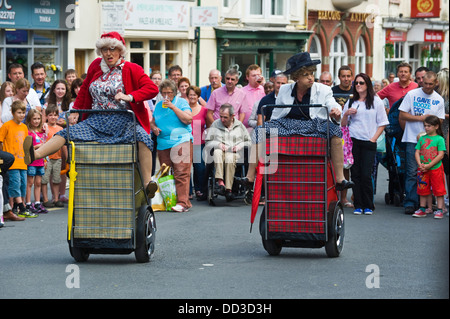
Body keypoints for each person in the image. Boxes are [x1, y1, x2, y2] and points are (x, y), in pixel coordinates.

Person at [22, 31, 159, 201]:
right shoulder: (96, 65)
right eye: (104, 50)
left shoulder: (131, 68)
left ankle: (147, 184)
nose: (108, 53)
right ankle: (34, 155)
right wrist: (76, 112)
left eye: (112, 49)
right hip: (96, 120)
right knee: (66, 133)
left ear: (120, 50)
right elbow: (85, 89)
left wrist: (129, 96)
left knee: (143, 137)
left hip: (124, 119)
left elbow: (152, 89)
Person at [244, 52, 354, 192]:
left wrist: (336, 111)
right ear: (296, 77)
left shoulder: (323, 89)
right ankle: (249, 177)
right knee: (260, 130)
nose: (310, 78)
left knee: (336, 131)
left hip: (314, 124)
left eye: (311, 74)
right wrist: (268, 126)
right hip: (287, 124)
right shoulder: (284, 89)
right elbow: (277, 114)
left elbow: (332, 103)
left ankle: (340, 179)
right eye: (306, 75)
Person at [341, 73, 389, 215]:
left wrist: (373, 139)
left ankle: (368, 205)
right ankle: (358, 204)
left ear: (367, 84)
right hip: (353, 141)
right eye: (356, 83)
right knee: (355, 174)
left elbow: (383, 123)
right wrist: (346, 114)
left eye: (361, 83)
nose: (358, 85)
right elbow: (343, 125)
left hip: (368, 141)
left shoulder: (376, 101)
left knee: (366, 174)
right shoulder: (351, 101)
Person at [399, 71, 445, 214]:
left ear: (436, 83)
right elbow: (402, 114)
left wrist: (429, 132)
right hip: (413, 138)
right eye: (425, 83)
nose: (427, 87)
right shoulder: (412, 95)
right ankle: (411, 202)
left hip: (430, 141)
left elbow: (440, 120)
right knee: (413, 171)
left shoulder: (438, 99)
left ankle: (426, 204)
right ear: (421, 82)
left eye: (431, 84)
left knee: (430, 171)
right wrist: (421, 119)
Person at [151, 79, 193, 212]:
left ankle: (183, 203)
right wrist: (154, 128)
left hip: (181, 140)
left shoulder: (181, 102)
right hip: (163, 143)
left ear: (175, 93)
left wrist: (173, 107)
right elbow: (152, 121)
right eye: (164, 93)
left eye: (169, 93)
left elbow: (188, 119)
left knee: (181, 172)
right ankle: (170, 201)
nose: (166, 96)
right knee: (166, 173)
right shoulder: (158, 105)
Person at [205, 103, 251, 201]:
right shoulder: (215, 124)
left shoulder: (239, 126)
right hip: (220, 151)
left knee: (230, 157)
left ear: (232, 116)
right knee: (217, 152)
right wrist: (218, 144)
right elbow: (208, 142)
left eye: (225, 117)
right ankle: (220, 182)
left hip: (235, 153)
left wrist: (239, 146)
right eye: (221, 116)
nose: (222, 120)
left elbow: (249, 141)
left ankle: (228, 189)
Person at [0, 100, 37, 218]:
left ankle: (15, 207)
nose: (22, 115)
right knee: (15, 184)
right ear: (12, 112)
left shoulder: (25, 127)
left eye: (23, 112)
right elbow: (0, 141)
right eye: (19, 112)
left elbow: (26, 146)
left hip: (23, 162)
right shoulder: (6, 125)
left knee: (22, 185)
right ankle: (21, 208)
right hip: (12, 162)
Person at [413, 115, 447, 219]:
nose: (426, 128)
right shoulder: (422, 138)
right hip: (423, 169)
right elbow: (417, 152)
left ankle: (440, 209)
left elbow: (440, 155)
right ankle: (422, 208)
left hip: (435, 168)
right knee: (423, 189)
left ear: (436, 126)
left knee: (438, 189)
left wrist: (429, 165)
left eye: (429, 126)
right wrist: (420, 164)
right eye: (425, 126)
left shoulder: (439, 139)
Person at [332, 66, 354, 208]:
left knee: (350, 165)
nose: (346, 79)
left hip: (352, 130)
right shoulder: (332, 92)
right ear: (339, 77)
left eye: (348, 76)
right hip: (335, 129)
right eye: (343, 76)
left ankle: (348, 196)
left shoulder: (356, 91)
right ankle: (338, 197)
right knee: (338, 164)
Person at [39, 106, 65, 208]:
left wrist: (65, 157)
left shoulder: (60, 129)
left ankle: (56, 199)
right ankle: (45, 199)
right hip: (47, 158)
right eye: (50, 115)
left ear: (58, 116)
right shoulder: (44, 128)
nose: (53, 117)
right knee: (44, 179)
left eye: (55, 115)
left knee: (56, 179)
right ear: (46, 117)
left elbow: (63, 145)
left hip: (57, 158)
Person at [24, 109, 48, 214]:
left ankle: (37, 202)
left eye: (38, 118)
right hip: (32, 161)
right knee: (30, 182)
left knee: (38, 182)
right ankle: (28, 203)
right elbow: (27, 148)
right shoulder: (28, 132)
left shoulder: (41, 132)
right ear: (29, 119)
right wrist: (37, 146)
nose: (36, 121)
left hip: (40, 161)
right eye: (34, 119)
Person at [187, 85, 208, 200]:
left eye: (194, 95)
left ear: (198, 96)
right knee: (185, 167)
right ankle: (188, 191)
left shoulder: (203, 110)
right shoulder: (184, 108)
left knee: (199, 167)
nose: (192, 97)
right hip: (186, 140)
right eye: (190, 94)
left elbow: (210, 123)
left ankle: (199, 189)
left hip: (199, 141)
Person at [436, 68, 449, 210]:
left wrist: (441, 115)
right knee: (441, 168)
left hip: (447, 131)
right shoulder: (438, 93)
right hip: (439, 133)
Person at [241, 64, 265, 128]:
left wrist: (263, 84)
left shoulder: (265, 89)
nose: (257, 77)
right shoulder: (241, 91)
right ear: (247, 77)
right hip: (246, 128)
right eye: (254, 75)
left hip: (263, 127)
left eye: (259, 75)